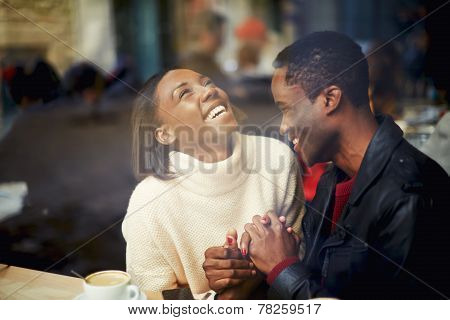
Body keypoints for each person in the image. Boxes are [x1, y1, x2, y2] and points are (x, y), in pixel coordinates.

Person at [203, 31, 450, 299]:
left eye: (287, 109)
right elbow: (323, 285)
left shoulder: (411, 193)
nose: (284, 126)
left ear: (329, 100)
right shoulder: (332, 181)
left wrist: (282, 267)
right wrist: (252, 273)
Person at [121, 69, 304, 298]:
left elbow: (300, 257)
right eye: (184, 93)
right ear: (164, 134)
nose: (209, 91)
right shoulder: (147, 201)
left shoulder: (277, 158)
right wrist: (223, 295)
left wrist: (248, 272)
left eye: (208, 82)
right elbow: (152, 299)